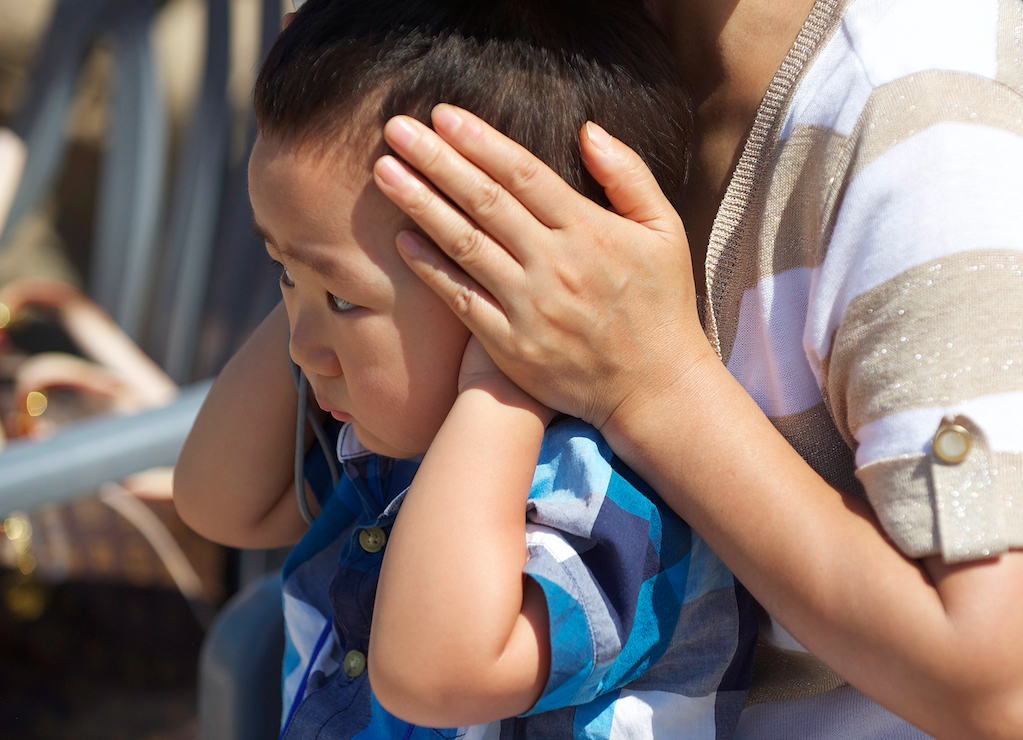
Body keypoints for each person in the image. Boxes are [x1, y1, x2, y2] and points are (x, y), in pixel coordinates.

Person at [364, 0, 1023, 737]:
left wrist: (654, 386)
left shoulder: (922, 122)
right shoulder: (526, 61)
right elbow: (231, 502)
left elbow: (995, 683)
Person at [175, 0, 759, 737]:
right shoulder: (392, 435)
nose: (301, 345)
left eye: (346, 303)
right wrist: (313, 255)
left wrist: (496, 387)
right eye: (282, 277)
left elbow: (434, 675)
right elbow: (217, 502)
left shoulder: (606, 493)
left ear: (508, 283)